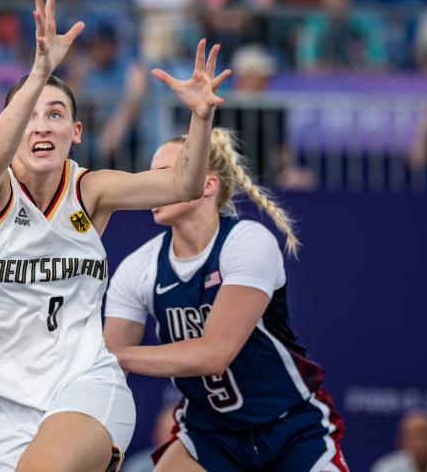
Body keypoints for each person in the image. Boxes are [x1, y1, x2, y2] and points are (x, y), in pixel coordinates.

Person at [0, 0, 230, 472]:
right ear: (9, 124)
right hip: (4, 406)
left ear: (75, 132)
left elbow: (185, 184)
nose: (41, 127)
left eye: (55, 115)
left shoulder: (91, 190)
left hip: (86, 383)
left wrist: (200, 117)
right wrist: (42, 69)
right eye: (30, 114)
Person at [104, 129, 348, 471]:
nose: (151, 182)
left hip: (288, 427)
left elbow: (215, 354)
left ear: (207, 184)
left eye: (166, 172)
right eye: (150, 171)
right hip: (210, 434)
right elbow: (107, 373)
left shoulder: (247, 241)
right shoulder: (138, 267)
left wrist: (117, 356)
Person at [123, 405, 178, 472]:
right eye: (167, 434)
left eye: (178, 435)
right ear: (156, 436)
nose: (173, 441)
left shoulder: (193, 465)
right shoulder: (137, 468)